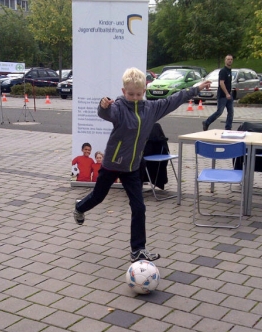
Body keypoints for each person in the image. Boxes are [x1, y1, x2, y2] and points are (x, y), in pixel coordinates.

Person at [73, 67, 211, 262]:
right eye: (131, 94)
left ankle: (138, 250)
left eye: (138, 94)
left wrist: (195, 88)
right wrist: (103, 105)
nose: (135, 97)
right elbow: (106, 113)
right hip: (112, 164)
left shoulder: (151, 109)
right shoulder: (119, 108)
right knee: (98, 196)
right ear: (124, 92)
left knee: (139, 208)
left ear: (144, 91)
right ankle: (80, 208)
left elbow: (174, 100)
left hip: (132, 168)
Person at [202, 55, 234, 131]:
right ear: (225, 60)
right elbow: (221, 83)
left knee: (231, 112)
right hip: (223, 96)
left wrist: (230, 93)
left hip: (229, 95)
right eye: (228, 59)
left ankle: (228, 128)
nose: (230, 61)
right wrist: (226, 93)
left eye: (231, 59)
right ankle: (206, 122)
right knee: (219, 112)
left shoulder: (229, 71)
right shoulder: (223, 71)